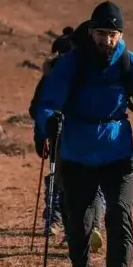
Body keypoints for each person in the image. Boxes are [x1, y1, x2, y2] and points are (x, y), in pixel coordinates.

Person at [35, 1, 133, 267]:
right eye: (101, 33)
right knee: (78, 223)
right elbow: (47, 103)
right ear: (90, 32)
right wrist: (48, 124)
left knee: (120, 219)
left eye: (113, 34)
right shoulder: (71, 64)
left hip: (118, 154)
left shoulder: (132, 65)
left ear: (121, 35)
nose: (107, 40)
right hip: (76, 154)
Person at [30, 29, 105, 248]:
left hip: (62, 138)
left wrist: (41, 135)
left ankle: (58, 223)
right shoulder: (80, 70)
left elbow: (37, 108)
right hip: (79, 137)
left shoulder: (53, 75)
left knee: (62, 181)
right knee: (89, 183)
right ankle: (89, 227)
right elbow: (39, 108)